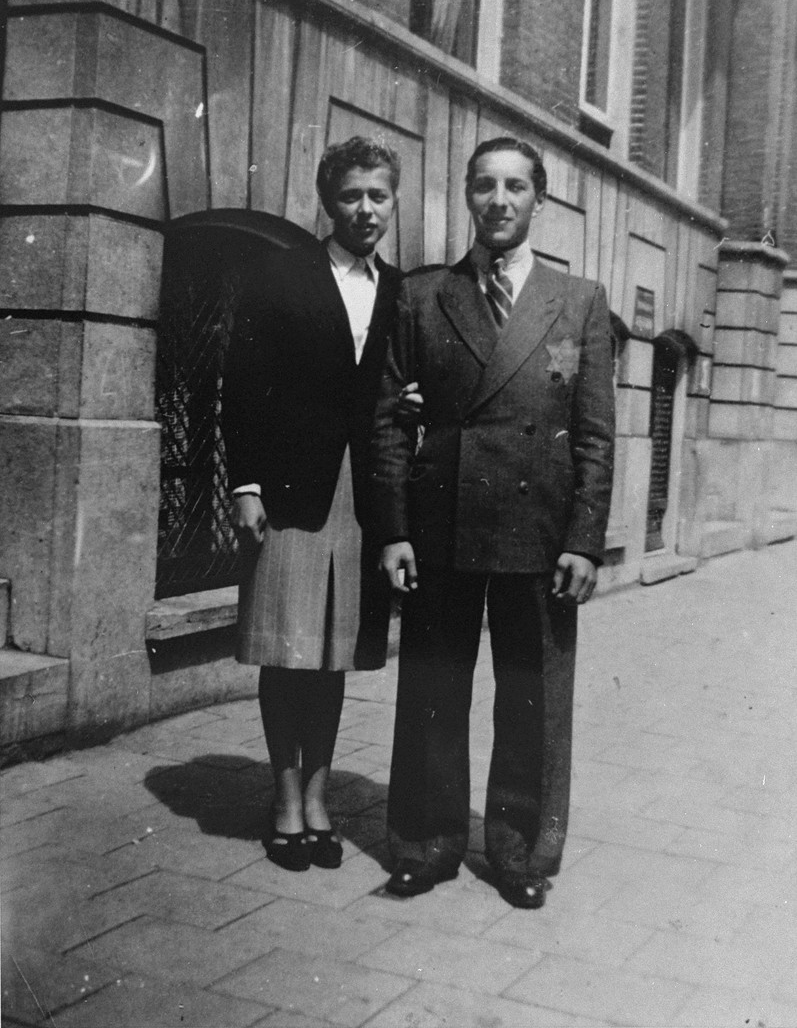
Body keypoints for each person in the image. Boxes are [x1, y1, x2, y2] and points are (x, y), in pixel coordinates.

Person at [371, 137, 615, 908]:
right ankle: (425, 841)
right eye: (484, 186)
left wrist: (583, 539)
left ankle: (520, 852)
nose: (499, 201)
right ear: (468, 196)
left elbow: (594, 433)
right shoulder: (421, 295)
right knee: (433, 688)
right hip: (440, 524)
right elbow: (386, 421)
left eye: (515, 187)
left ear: (538, 199)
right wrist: (394, 528)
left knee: (532, 696)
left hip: (537, 533)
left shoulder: (576, 302)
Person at [222, 136, 403, 872]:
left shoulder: (401, 291)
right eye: (352, 195)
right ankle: (285, 798)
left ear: (393, 202)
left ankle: (321, 797)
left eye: (378, 195)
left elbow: (400, 386)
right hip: (294, 490)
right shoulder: (281, 274)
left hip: (364, 496)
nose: (365, 209)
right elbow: (241, 385)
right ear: (329, 203)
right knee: (288, 652)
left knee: (332, 657)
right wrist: (246, 484)